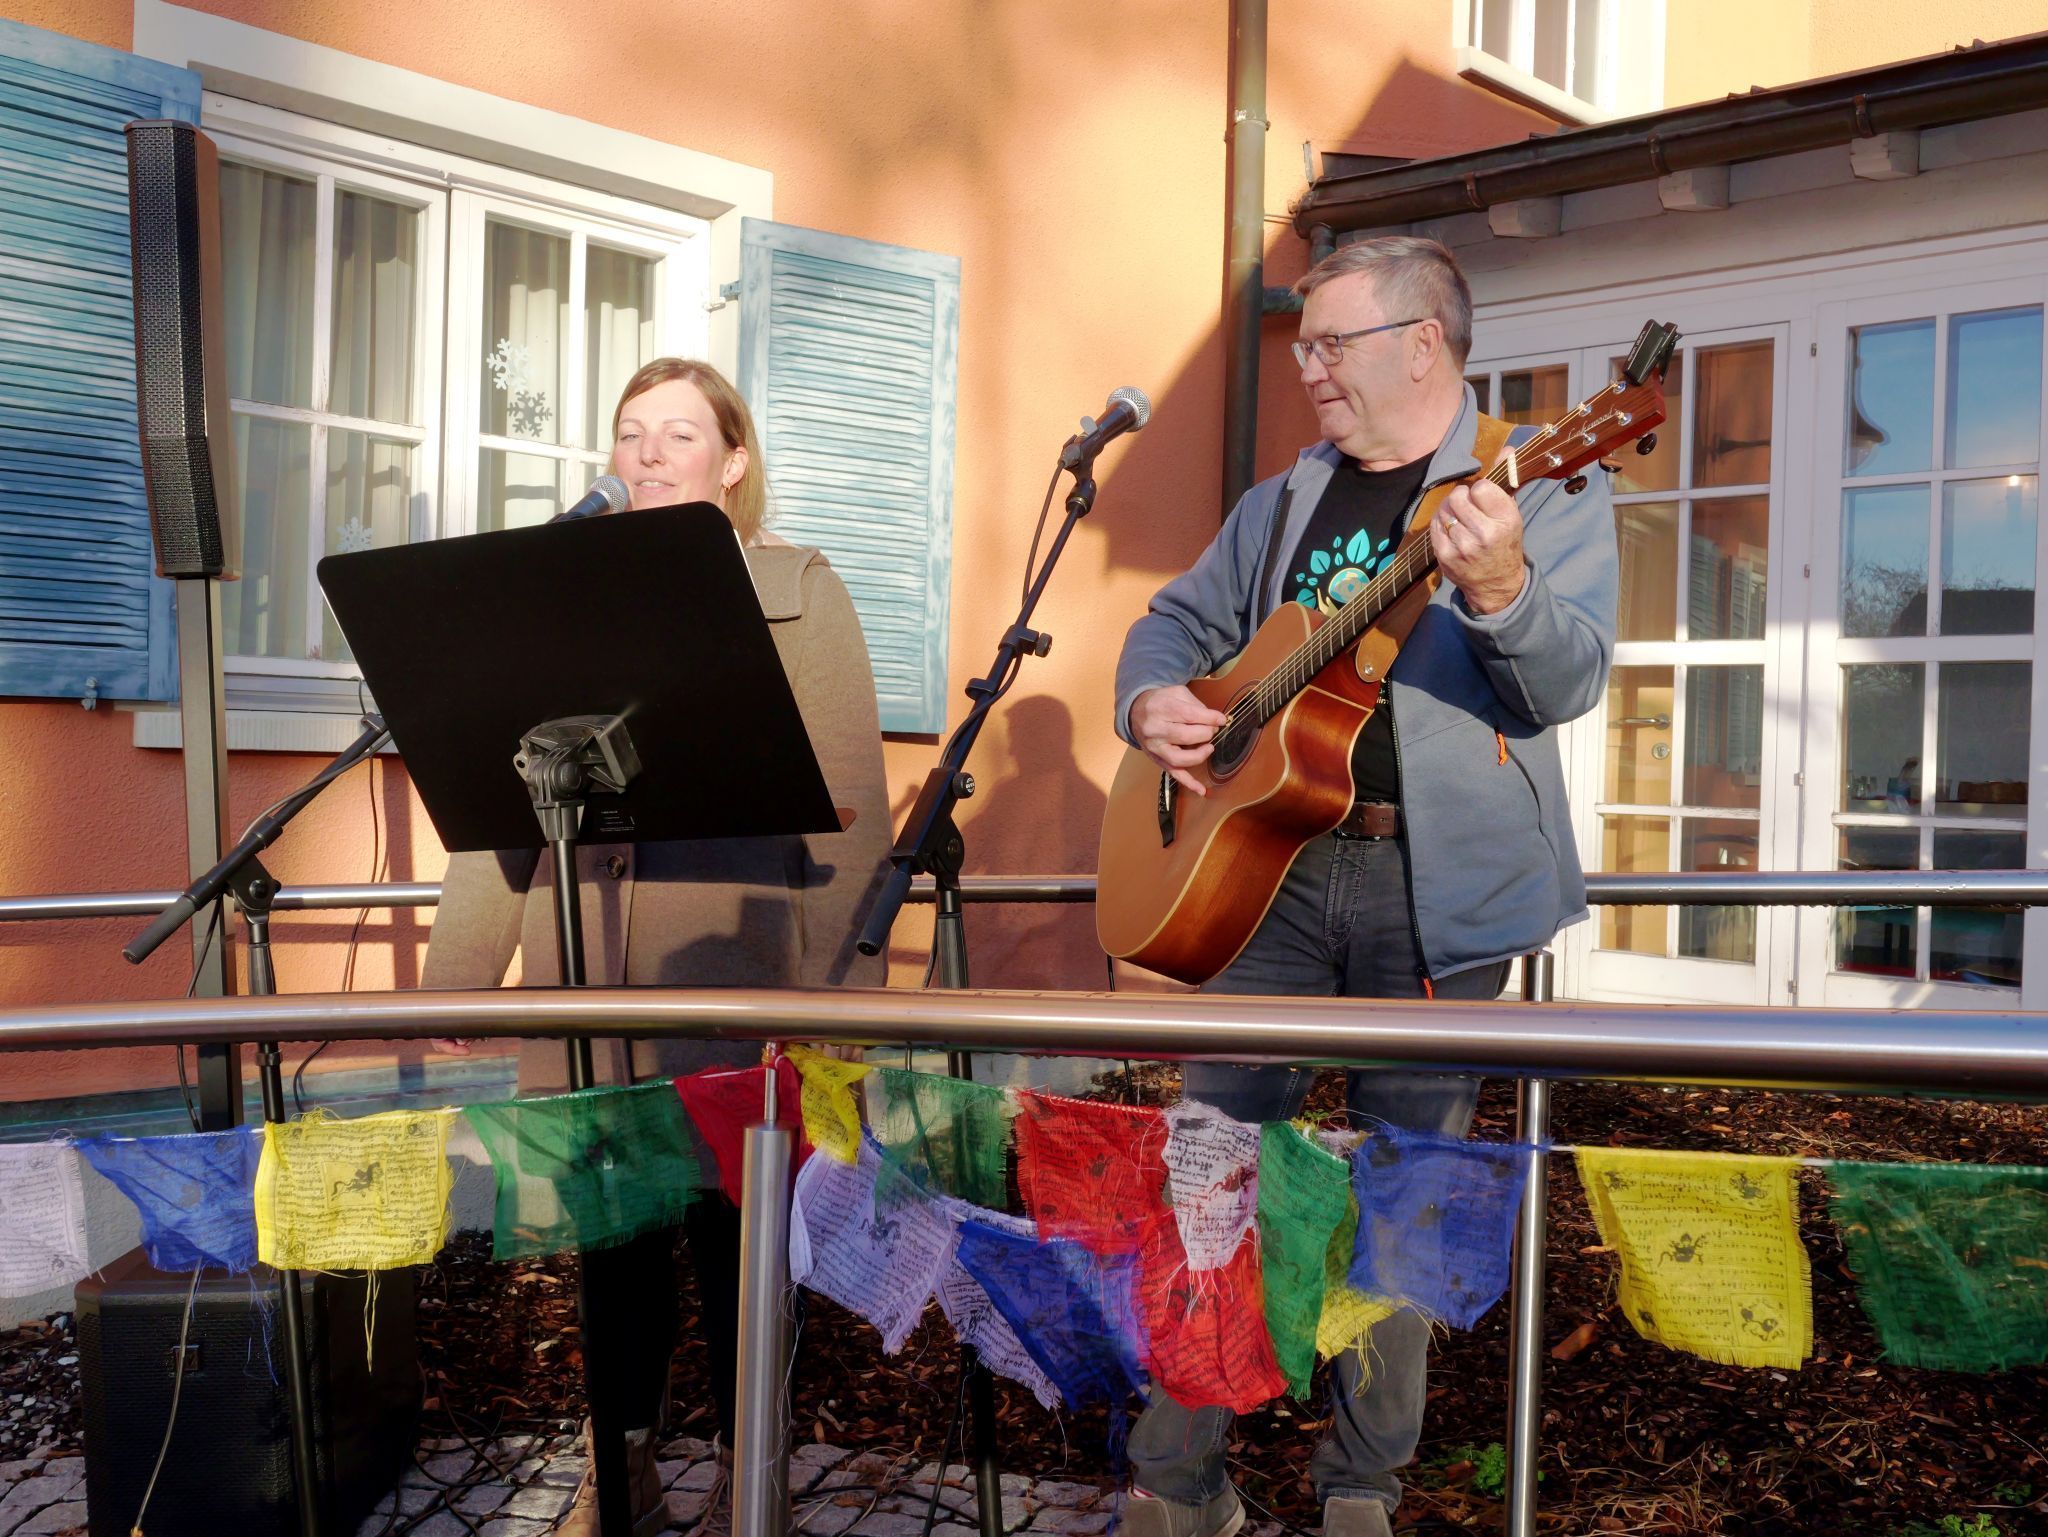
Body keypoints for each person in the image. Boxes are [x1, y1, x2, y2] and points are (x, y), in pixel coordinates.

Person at [1111, 237, 1617, 1537]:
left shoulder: (1538, 481)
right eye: (1302, 345)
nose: (1308, 368)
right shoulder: (1290, 494)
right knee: (1210, 1165)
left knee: (1408, 1192)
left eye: (1331, 344)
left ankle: (1358, 1494)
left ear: (1424, 343)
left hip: (1433, 889)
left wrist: (1499, 585)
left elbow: (1563, 683)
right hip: (1267, 868)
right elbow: (1176, 621)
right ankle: (1177, 1487)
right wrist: (1157, 700)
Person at [421, 357, 893, 1537]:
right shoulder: (555, 602)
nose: (646, 453)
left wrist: (839, 1007)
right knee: (608, 1242)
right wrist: (461, 976)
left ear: (731, 460)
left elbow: (850, 806)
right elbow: (497, 798)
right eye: (630, 431)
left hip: (734, 970)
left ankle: (750, 1475)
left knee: (738, 1242)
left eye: (677, 433)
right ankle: (618, 1466)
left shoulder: (795, 587)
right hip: (583, 968)